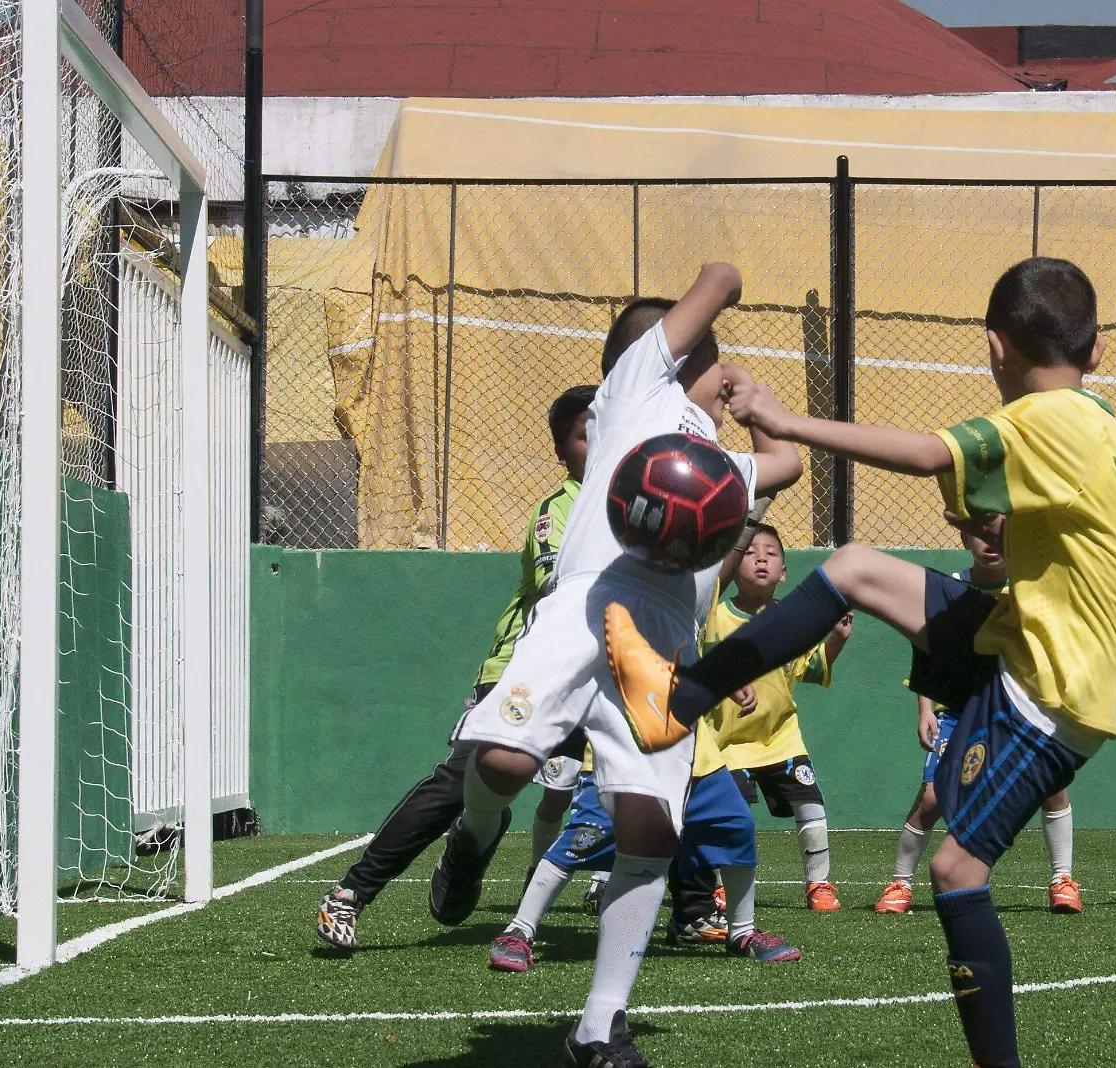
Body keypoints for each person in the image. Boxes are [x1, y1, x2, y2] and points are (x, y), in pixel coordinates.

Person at [607, 257, 1116, 1068]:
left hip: (1053, 688)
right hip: (1033, 637)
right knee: (857, 567)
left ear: (993, 347)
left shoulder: (1045, 420)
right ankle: (680, 699)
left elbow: (931, 455)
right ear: (1098, 348)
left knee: (957, 869)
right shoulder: (1099, 418)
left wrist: (788, 424)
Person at [444, 264, 804, 1067]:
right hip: (586, 603)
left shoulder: (711, 463)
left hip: (667, 641)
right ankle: (472, 835)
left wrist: (759, 412)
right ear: (674, 353)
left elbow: (784, 467)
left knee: (650, 822)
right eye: (713, 357)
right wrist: (726, 283)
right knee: (502, 759)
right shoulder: (638, 391)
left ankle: (600, 1026)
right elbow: (717, 280)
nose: (722, 369)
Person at [314, 384, 595, 950]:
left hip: (600, 674)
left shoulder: (637, 507)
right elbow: (562, 584)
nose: (605, 443)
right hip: (527, 668)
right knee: (460, 780)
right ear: (564, 451)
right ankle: (351, 894)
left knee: (668, 768)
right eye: (588, 435)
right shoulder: (558, 513)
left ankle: (696, 907)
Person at [878, 517, 1080, 917]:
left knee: (1052, 786)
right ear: (963, 536)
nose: (990, 542)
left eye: (1000, 533)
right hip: (958, 709)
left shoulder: (1032, 585)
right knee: (933, 796)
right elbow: (928, 647)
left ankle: (1063, 880)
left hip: (1019, 708)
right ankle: (900, 882)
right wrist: (925, 708)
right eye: (980, 533)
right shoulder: (950, 587)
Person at [488, 715, 802, 971]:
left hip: (695, 754)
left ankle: (742, 932)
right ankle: (519, 930)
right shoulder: (602, 637)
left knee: (736, 826)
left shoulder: (689, 635)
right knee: (584, 838)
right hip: (620, 751)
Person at [705, 524, 853, 911]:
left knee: (811, 806)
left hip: (782, 737)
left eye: (771, 554)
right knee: (730, 816)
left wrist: (835, 639)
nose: (761, 559)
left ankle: (818, 885)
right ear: (735, 565)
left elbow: (813, 668)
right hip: (728, 742)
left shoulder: (795, 621)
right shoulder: (714, 617)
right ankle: (719, 887)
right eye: (752, 553)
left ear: (784, 572)